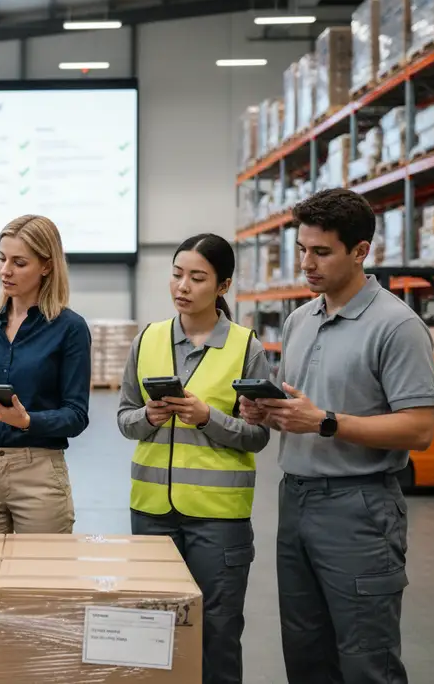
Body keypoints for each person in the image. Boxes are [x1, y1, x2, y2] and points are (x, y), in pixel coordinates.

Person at [241, 188, 434, 684]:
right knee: (306, 654)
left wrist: (326, 422)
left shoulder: (396, 325)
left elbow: (420, 428)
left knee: (365, 658)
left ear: (360, 250)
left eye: (321, 252)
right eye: (302, 249)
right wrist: (267, 412)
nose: (307, 263)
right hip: (297, 499)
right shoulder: (300, 319)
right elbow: (300, 407)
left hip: (360, 508)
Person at [116, 233, 271, 684]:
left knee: (218, 631)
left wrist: (208, 418)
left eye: (197, 277)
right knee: (154, 627)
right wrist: (149, 414)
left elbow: (259, 435)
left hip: (218, 519)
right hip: (150, 513)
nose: (182, 286)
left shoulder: (246, 348)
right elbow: (125, 419)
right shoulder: (147, 340)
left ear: (223, 286)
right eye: (177, 273)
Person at [0, 214, 90, 534]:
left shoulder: (70, 329)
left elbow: (76, 415)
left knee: (37, 580)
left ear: (47, 266)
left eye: (19, 262)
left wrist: (27, 422)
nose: (5, 270)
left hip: (37, 471)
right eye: (1, 258)